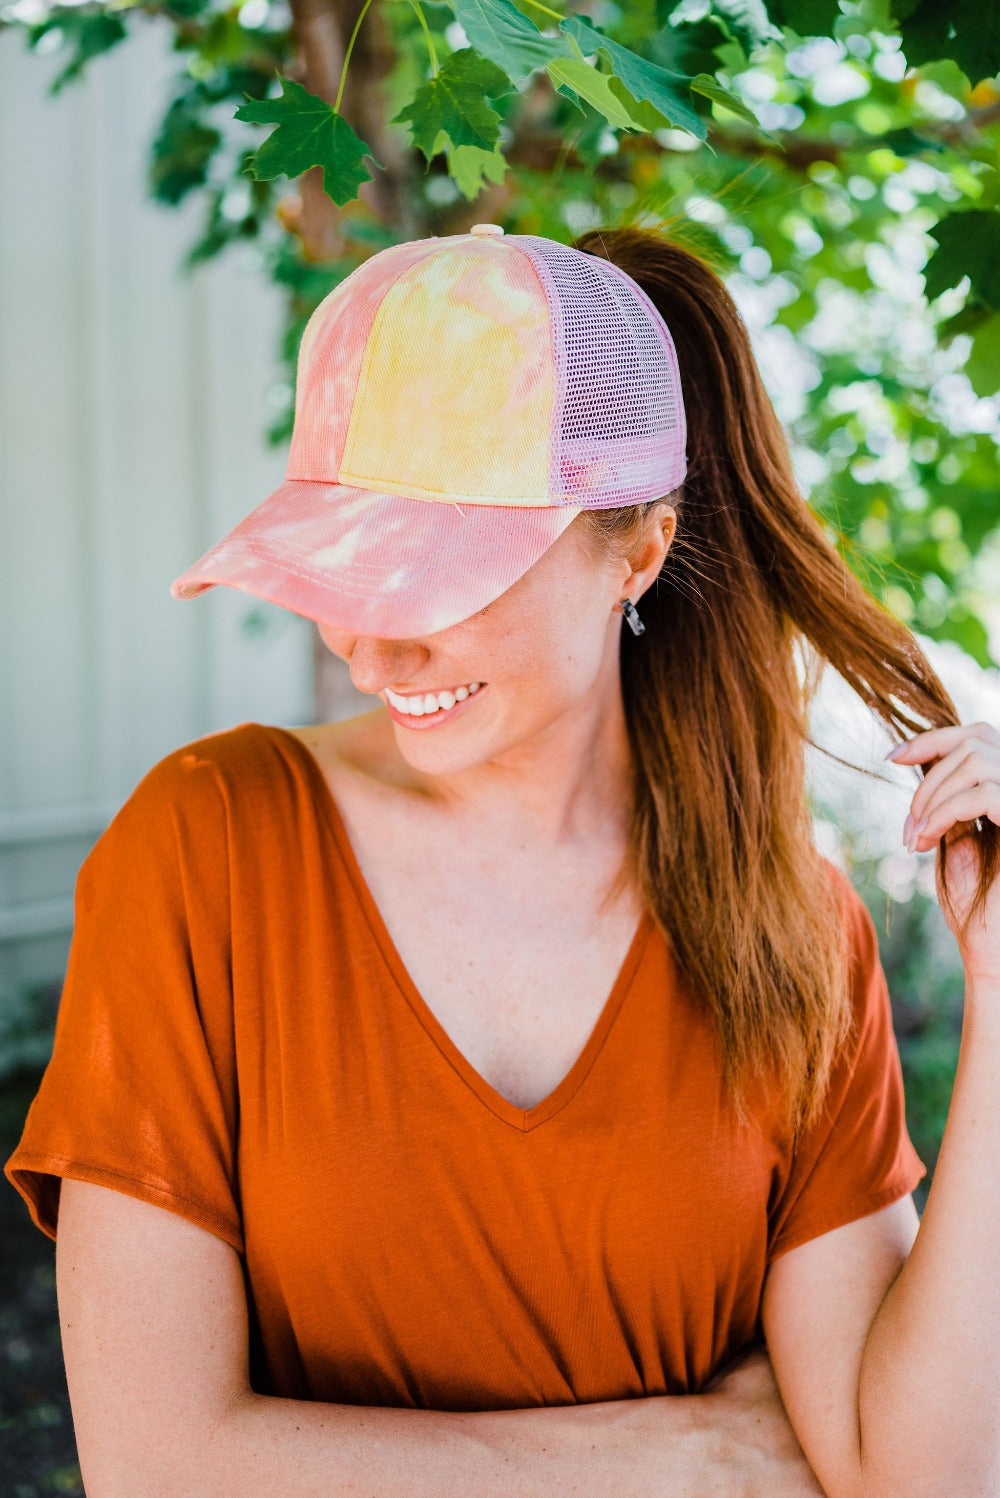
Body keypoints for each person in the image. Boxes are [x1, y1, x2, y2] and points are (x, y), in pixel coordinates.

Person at [5, 221, 999, 1497]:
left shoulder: (791, 928)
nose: (373, 647)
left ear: (636, 549)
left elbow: (913, 1475)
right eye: (350, 566)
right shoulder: (207, 848)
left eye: (437, 574)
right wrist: (675, 1458)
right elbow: (155, 1463)